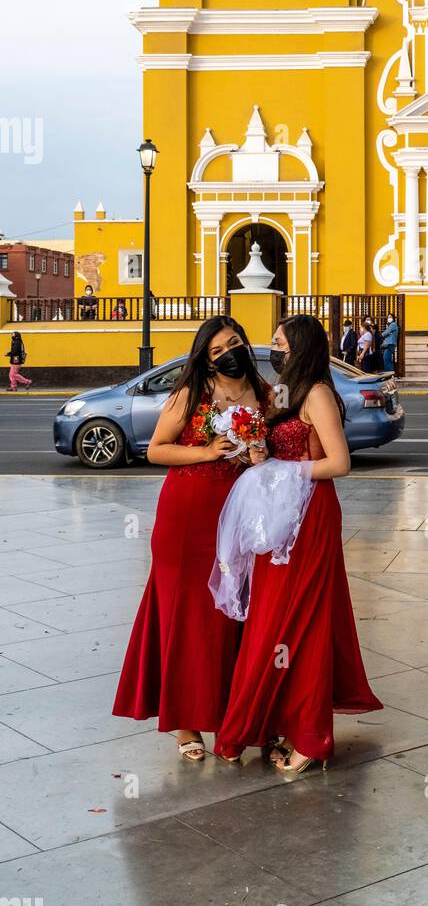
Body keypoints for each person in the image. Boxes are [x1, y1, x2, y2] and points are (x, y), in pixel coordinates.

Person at [215, 315, 382, 772]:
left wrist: (285, 470)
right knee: (272, 619)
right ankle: (276, 722)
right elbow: (283, 449)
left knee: (302, 619)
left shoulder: (318, 394)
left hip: (311, 516)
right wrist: (259, 453)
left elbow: (340, 463)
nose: (272, 350)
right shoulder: (286, 394)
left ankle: (309, 735)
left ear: (302, 347)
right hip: (280, 516)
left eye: (279, 343)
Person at [113, 316, 269, 761]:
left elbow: (267, 454)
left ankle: (229, 718)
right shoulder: (190, 395)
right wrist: (206, 451)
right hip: (186, 517)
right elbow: (158, 448)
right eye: (217, 351)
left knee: (229, 619)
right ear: (205, 357)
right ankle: (184, 724)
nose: (227, 354)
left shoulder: (264, 396)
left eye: (234, 343)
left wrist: (260, 454)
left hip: (238, 516)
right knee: (185, 616)